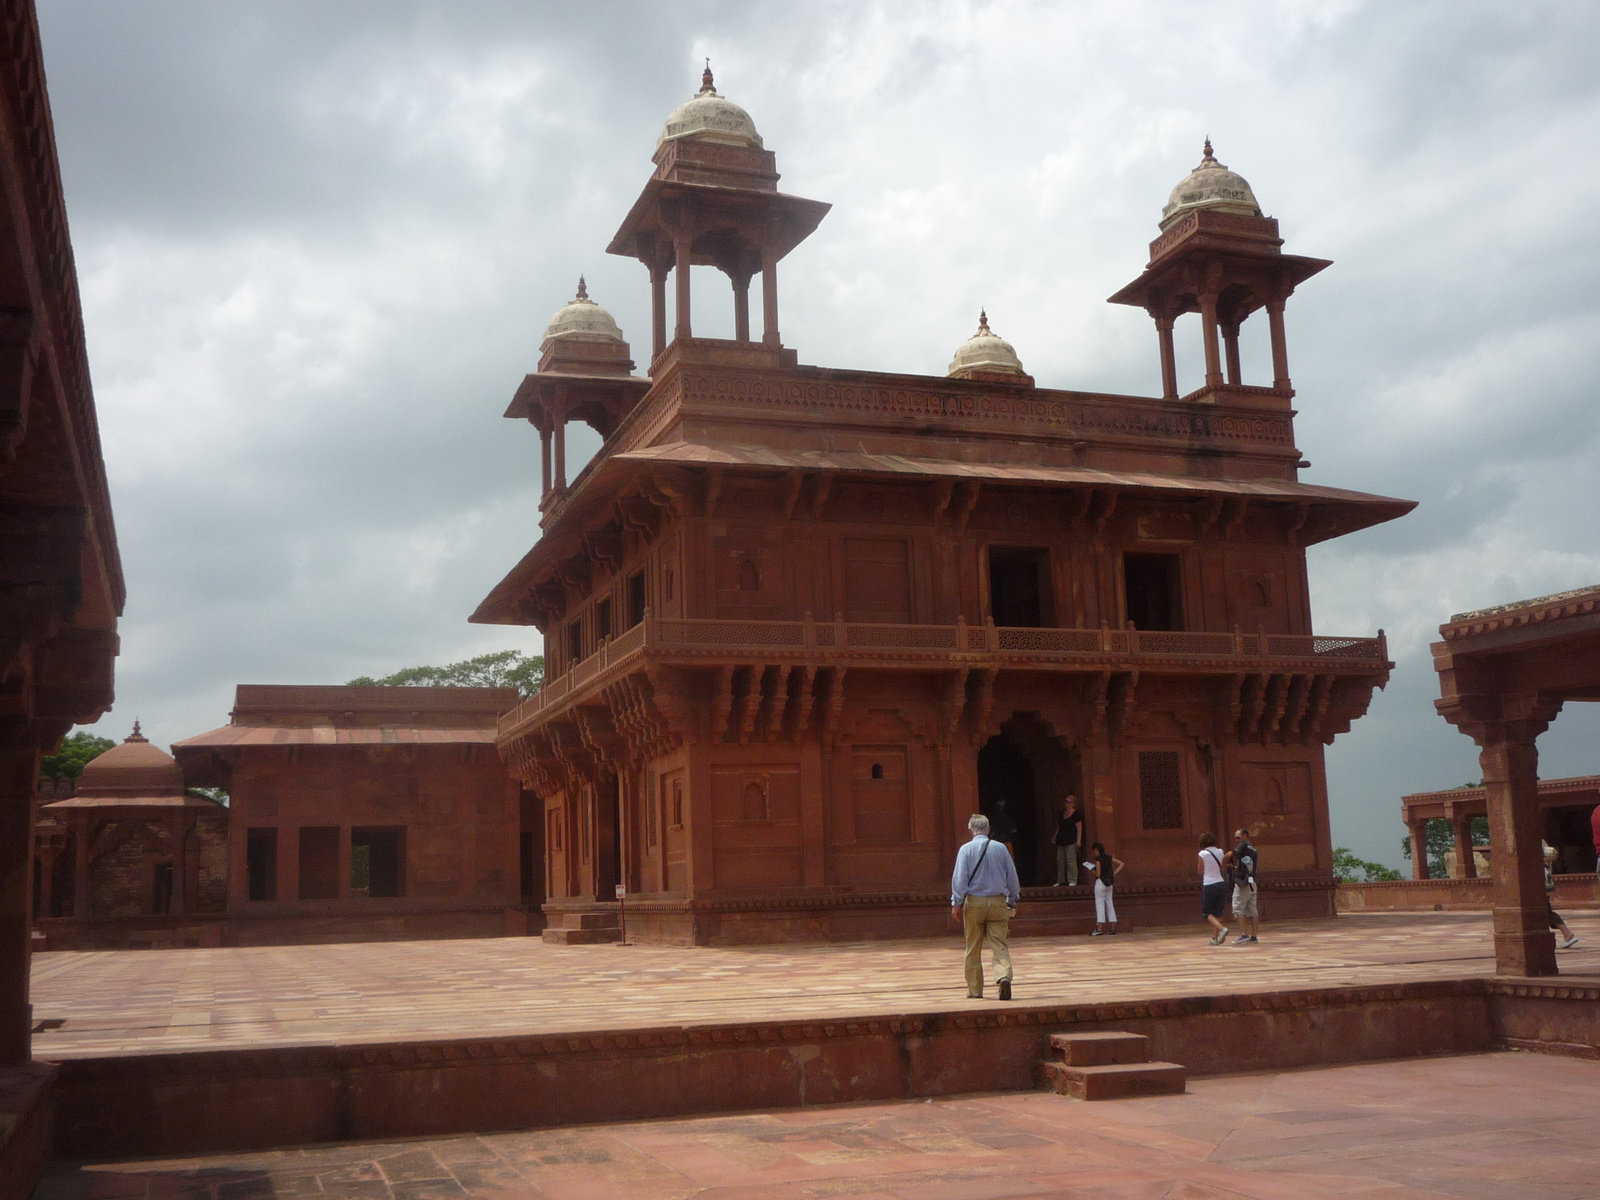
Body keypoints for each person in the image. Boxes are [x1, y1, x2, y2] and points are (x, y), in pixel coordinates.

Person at [951, 813, 1022, 1000]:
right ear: (989, 829)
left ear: (970, 830)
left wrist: (956, 903)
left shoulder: (966, 850)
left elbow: (960, 879)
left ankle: (975, 990)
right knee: (999, 944)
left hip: (974, 902)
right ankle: (1003, 976)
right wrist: (1013, 898)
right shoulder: (1001, 849)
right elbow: (1012, 878)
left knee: (973, 946)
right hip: (998, 901)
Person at [1081, 841, 1124, 935]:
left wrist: (1092, 869)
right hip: (1109, 883)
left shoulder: (1098, 860)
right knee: (1110, 903)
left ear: (1097, 850)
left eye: (1095, 851)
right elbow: (1121, 864)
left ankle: (1099, 928)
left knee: (1100, 904)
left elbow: (1098, 874)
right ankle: (1113, 927)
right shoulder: (1109, 857)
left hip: (1100, 883)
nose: (1094, 853)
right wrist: (1114, 873)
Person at [1544, 841, 1580, 950]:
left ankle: (1567, 934)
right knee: (1543, 910)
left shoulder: (1531, 841)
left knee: (1544, 911)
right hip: (1546, 881)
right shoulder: (1540, 842)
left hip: (1539, 883)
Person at [1227, 828, 1259, 944]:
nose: (1236, 840)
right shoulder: (1253, 848)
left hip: (1242, 882)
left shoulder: (1243, 845)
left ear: (1245, 835)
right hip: (1252, 882)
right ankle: (1254, 936)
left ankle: (1244, 934)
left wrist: (1225, 858)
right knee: (1252, 910)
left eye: (1238, 837)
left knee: (1238, 908)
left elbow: (1232, 854)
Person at [1198, 833, 1229, 945]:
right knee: (1218, 912)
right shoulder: (1220, 851)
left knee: (1207, 912)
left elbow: (1200, 871)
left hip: (1209, 884)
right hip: (1220, 883)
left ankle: (1221, 929)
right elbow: (1222, 866)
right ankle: (1215, 938)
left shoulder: (1202, 853)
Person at [1051, 795, 1084, 886]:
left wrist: (1078, 840)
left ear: (1073, 803)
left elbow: (1079, 828)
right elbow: (1059, 826)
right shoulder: (1062, 813)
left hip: (1071, 840)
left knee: (1070, 860)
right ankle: (1060, 880)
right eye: (1066, 801)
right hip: (1061, 840)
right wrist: (1055, 836)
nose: (1066, 803)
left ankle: (1072, 879)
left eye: (1069, 802)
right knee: (1060, 860)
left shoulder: (1076, 814)